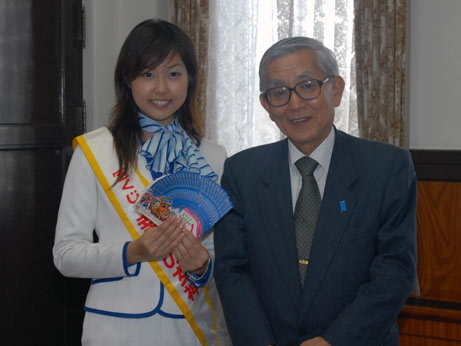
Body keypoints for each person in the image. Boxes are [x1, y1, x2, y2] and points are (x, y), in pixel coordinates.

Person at [214, 36, 417, 346]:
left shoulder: (387, 167)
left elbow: (395, 269)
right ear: (267, 105)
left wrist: (334, 341)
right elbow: (234, 271)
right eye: (279, 92)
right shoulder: (242, 172)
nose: (295, 104)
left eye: (308, 86)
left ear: (335, 90)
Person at [53, 19, 230, 346]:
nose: (161, 88)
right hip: (115, 329)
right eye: (148, 74)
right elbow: (66, 255)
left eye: (174, 74)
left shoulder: (214, 157)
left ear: (191, 80)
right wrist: (132, 251)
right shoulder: (94, 151)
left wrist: (202, 265)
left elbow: (223, 254)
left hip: (192, 327)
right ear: (127, 79)